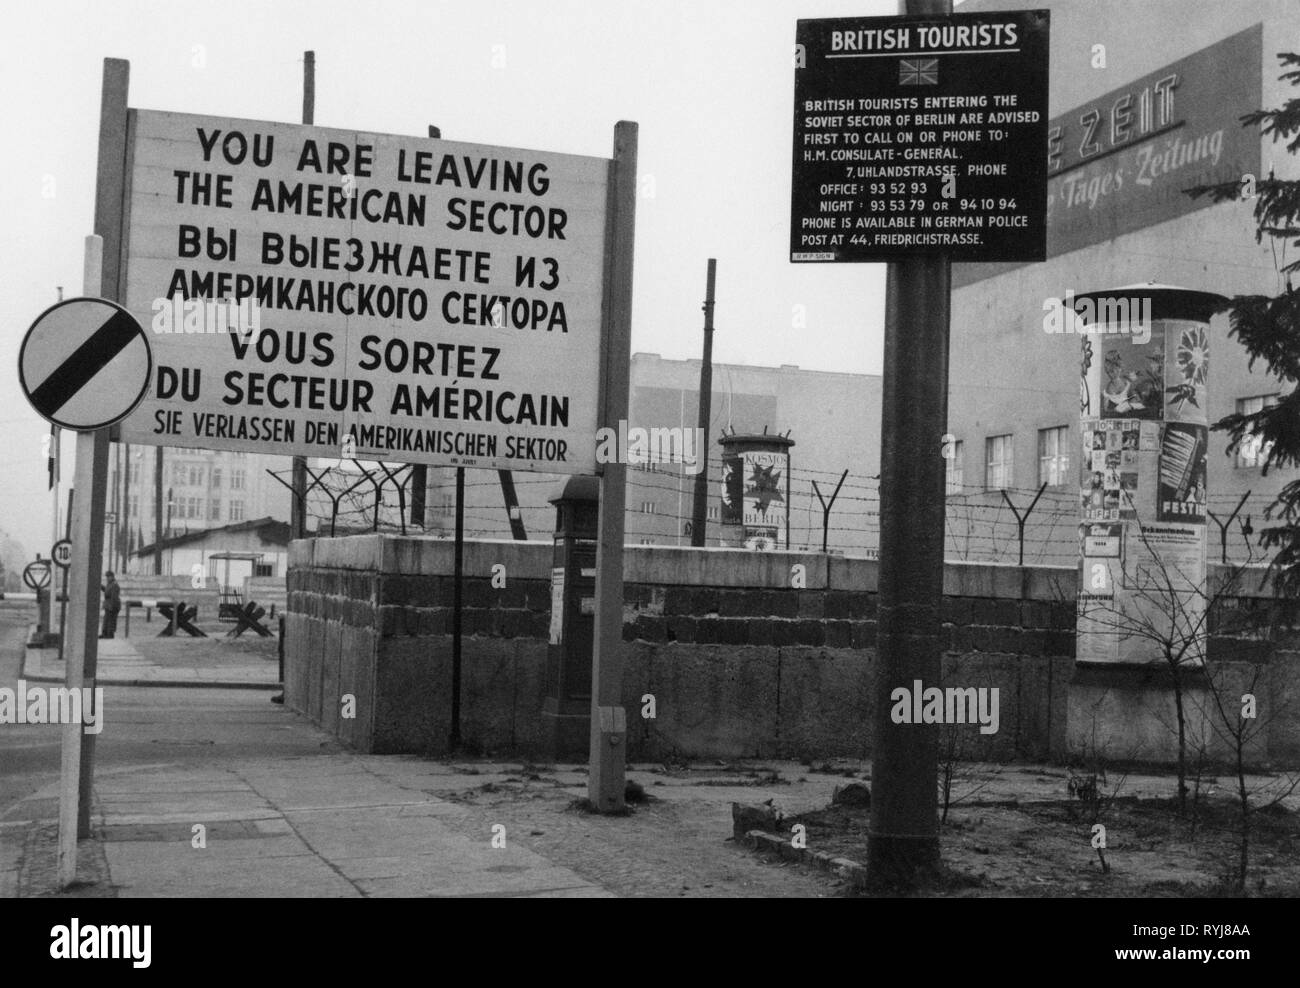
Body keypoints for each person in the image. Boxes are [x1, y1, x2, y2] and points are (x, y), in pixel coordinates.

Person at [101, 571, 121, 639]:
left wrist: (111, 606)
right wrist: (101, 586)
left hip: (112, 605)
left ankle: (110, 634)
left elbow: (114, 597)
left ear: (112, 577)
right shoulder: (110, 584)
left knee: (110, 620)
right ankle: (105, 633)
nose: (107, 578)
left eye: (108, 577)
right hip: (108, 604)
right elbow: (107, 591)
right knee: (106, 620)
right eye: (106, 577)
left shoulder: (114, 585)